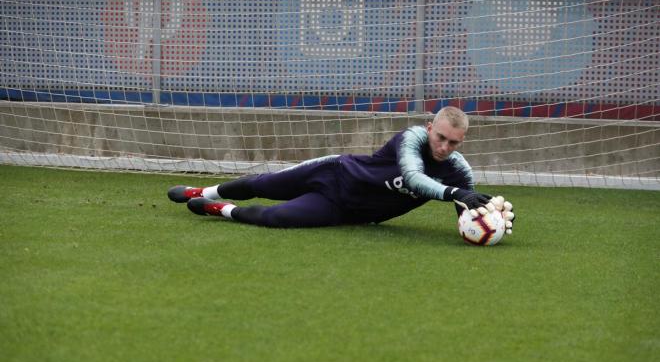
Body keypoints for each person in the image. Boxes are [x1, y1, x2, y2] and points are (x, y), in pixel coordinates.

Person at [167, 106, 515, 231]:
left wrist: (491, 219)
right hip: (334, 173)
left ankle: (219, 209)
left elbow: (465, 216)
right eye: (441, 137)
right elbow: (413, 178)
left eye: (454, 143)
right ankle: (202, 191)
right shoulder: (411, 139)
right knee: (265, 182)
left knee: (278, 219)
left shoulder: (460, 174)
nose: (444, 147)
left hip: (345, 209)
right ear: (429, 128)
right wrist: (457, 194)